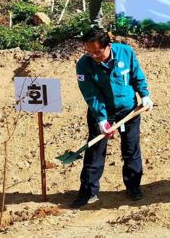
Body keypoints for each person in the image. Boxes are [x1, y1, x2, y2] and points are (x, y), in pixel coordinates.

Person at [71, 28, 154, 208]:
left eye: (97, 51)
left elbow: (136, 75)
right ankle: (88, 192)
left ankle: (133, 187)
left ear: (108, 46)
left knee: (131, 149)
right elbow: (91, 94)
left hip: (129, 110)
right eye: (89, 51)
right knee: (95, 152)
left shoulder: (126, 52)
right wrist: (101, 118)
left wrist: (144, 94)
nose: (93, 55)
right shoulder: (84, 65)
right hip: (101, 112)